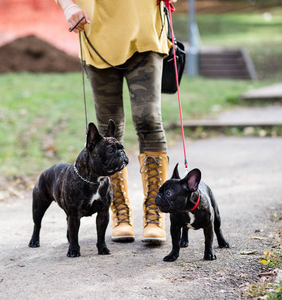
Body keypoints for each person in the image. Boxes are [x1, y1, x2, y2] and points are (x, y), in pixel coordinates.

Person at [55, 0, 177, 244]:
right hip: (97, 35)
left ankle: (155, 212)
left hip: (145, 30)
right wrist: (68, 6)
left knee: (149, 119)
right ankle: (118, 211)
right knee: (106, 130)